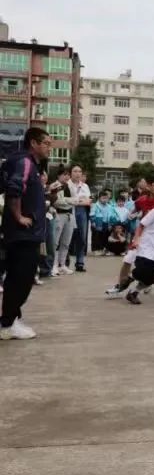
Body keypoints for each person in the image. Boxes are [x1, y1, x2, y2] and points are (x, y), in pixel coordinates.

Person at [0, 128, 52, 340]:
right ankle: (7, 324)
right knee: (20, 279)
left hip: (26, 233)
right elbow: (14, 190)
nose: (49, 147)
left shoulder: (30, 165)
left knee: (18, 278)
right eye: (46, 143)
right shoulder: (25, 162)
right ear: (34, 143)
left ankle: (11, 319)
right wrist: (19, 217)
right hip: (22, 234)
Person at [105, 183, 154, 297]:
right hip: (141, 235)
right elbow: (134, 211)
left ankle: (146, 283)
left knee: (149, 264)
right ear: (150, 187)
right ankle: (120, 285)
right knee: (128, 259)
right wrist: (130, 216)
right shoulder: (141, 200)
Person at [50, 166, 76, 275]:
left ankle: (62, 264)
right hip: (59, 214)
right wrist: (69, 201)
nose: (66, 177)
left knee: (66, 242)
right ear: (58, 175)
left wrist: (68, 201)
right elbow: (57, 202)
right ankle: (53, 265)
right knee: (55, 241)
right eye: (64, 174)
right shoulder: (55, 186)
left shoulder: (70, 186)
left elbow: (75, 200)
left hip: (69, 214)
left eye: (68, 175)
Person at [68, 164, 92, 272]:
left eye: (79, 171)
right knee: (68, 237)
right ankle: (64, 262)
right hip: (70, 210)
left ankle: (80, 262)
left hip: (82, 212)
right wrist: (80, 200)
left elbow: (88, 201)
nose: (78, 174)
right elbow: (69, 200)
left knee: (82, 238)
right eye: (75, 171)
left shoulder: (85, 186)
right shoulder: (67, 185)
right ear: (70, 173)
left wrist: (78, 200)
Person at [90, 189, 118, 254]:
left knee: (105, 236)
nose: (105, 200)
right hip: (97, 223)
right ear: (99, 198)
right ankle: (96, 249)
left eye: (106, 198)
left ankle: (105, 249)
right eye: (103, 198)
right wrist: (93, 222)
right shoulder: (95, 205)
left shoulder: (110, 206)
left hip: (106, 223)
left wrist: (111, 224)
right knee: (97, 236)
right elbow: (92, 213)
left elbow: (112, 215)